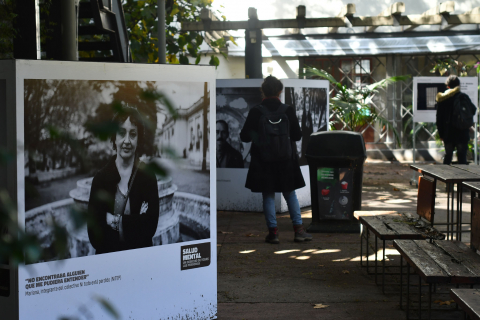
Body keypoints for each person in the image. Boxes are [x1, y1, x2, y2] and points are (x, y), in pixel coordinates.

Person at [240, 76, 312, 244]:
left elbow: (244, 137)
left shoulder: (256, 111)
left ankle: (273, 233)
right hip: (286, 160)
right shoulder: (288, 110)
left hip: (263, 161)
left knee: (268, 195)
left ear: (262, 91)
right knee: (290, 194)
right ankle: (299, 231)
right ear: (280, 91)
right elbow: (297, 135)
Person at [87, 107, 160, 254]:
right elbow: (94, 235)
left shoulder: (148, 177)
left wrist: (111, 220)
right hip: (108, 261)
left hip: (139, 259)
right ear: (114, 137)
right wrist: (136, 220)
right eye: (121, 133)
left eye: (133, 134)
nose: (127, 141)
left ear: (138, 138)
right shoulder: (100, 179)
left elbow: (150, 228)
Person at [436, 75, 473, 165]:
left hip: (448, 133)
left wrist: (441, 134)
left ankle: (446, 178)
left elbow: (439, 118)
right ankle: (462, 178)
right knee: (462, 158)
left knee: (448, 156)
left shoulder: (443, 99)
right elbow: (473, 110)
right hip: (462, 132)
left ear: (448, 86)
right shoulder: (463, 97)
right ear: (459, 85)